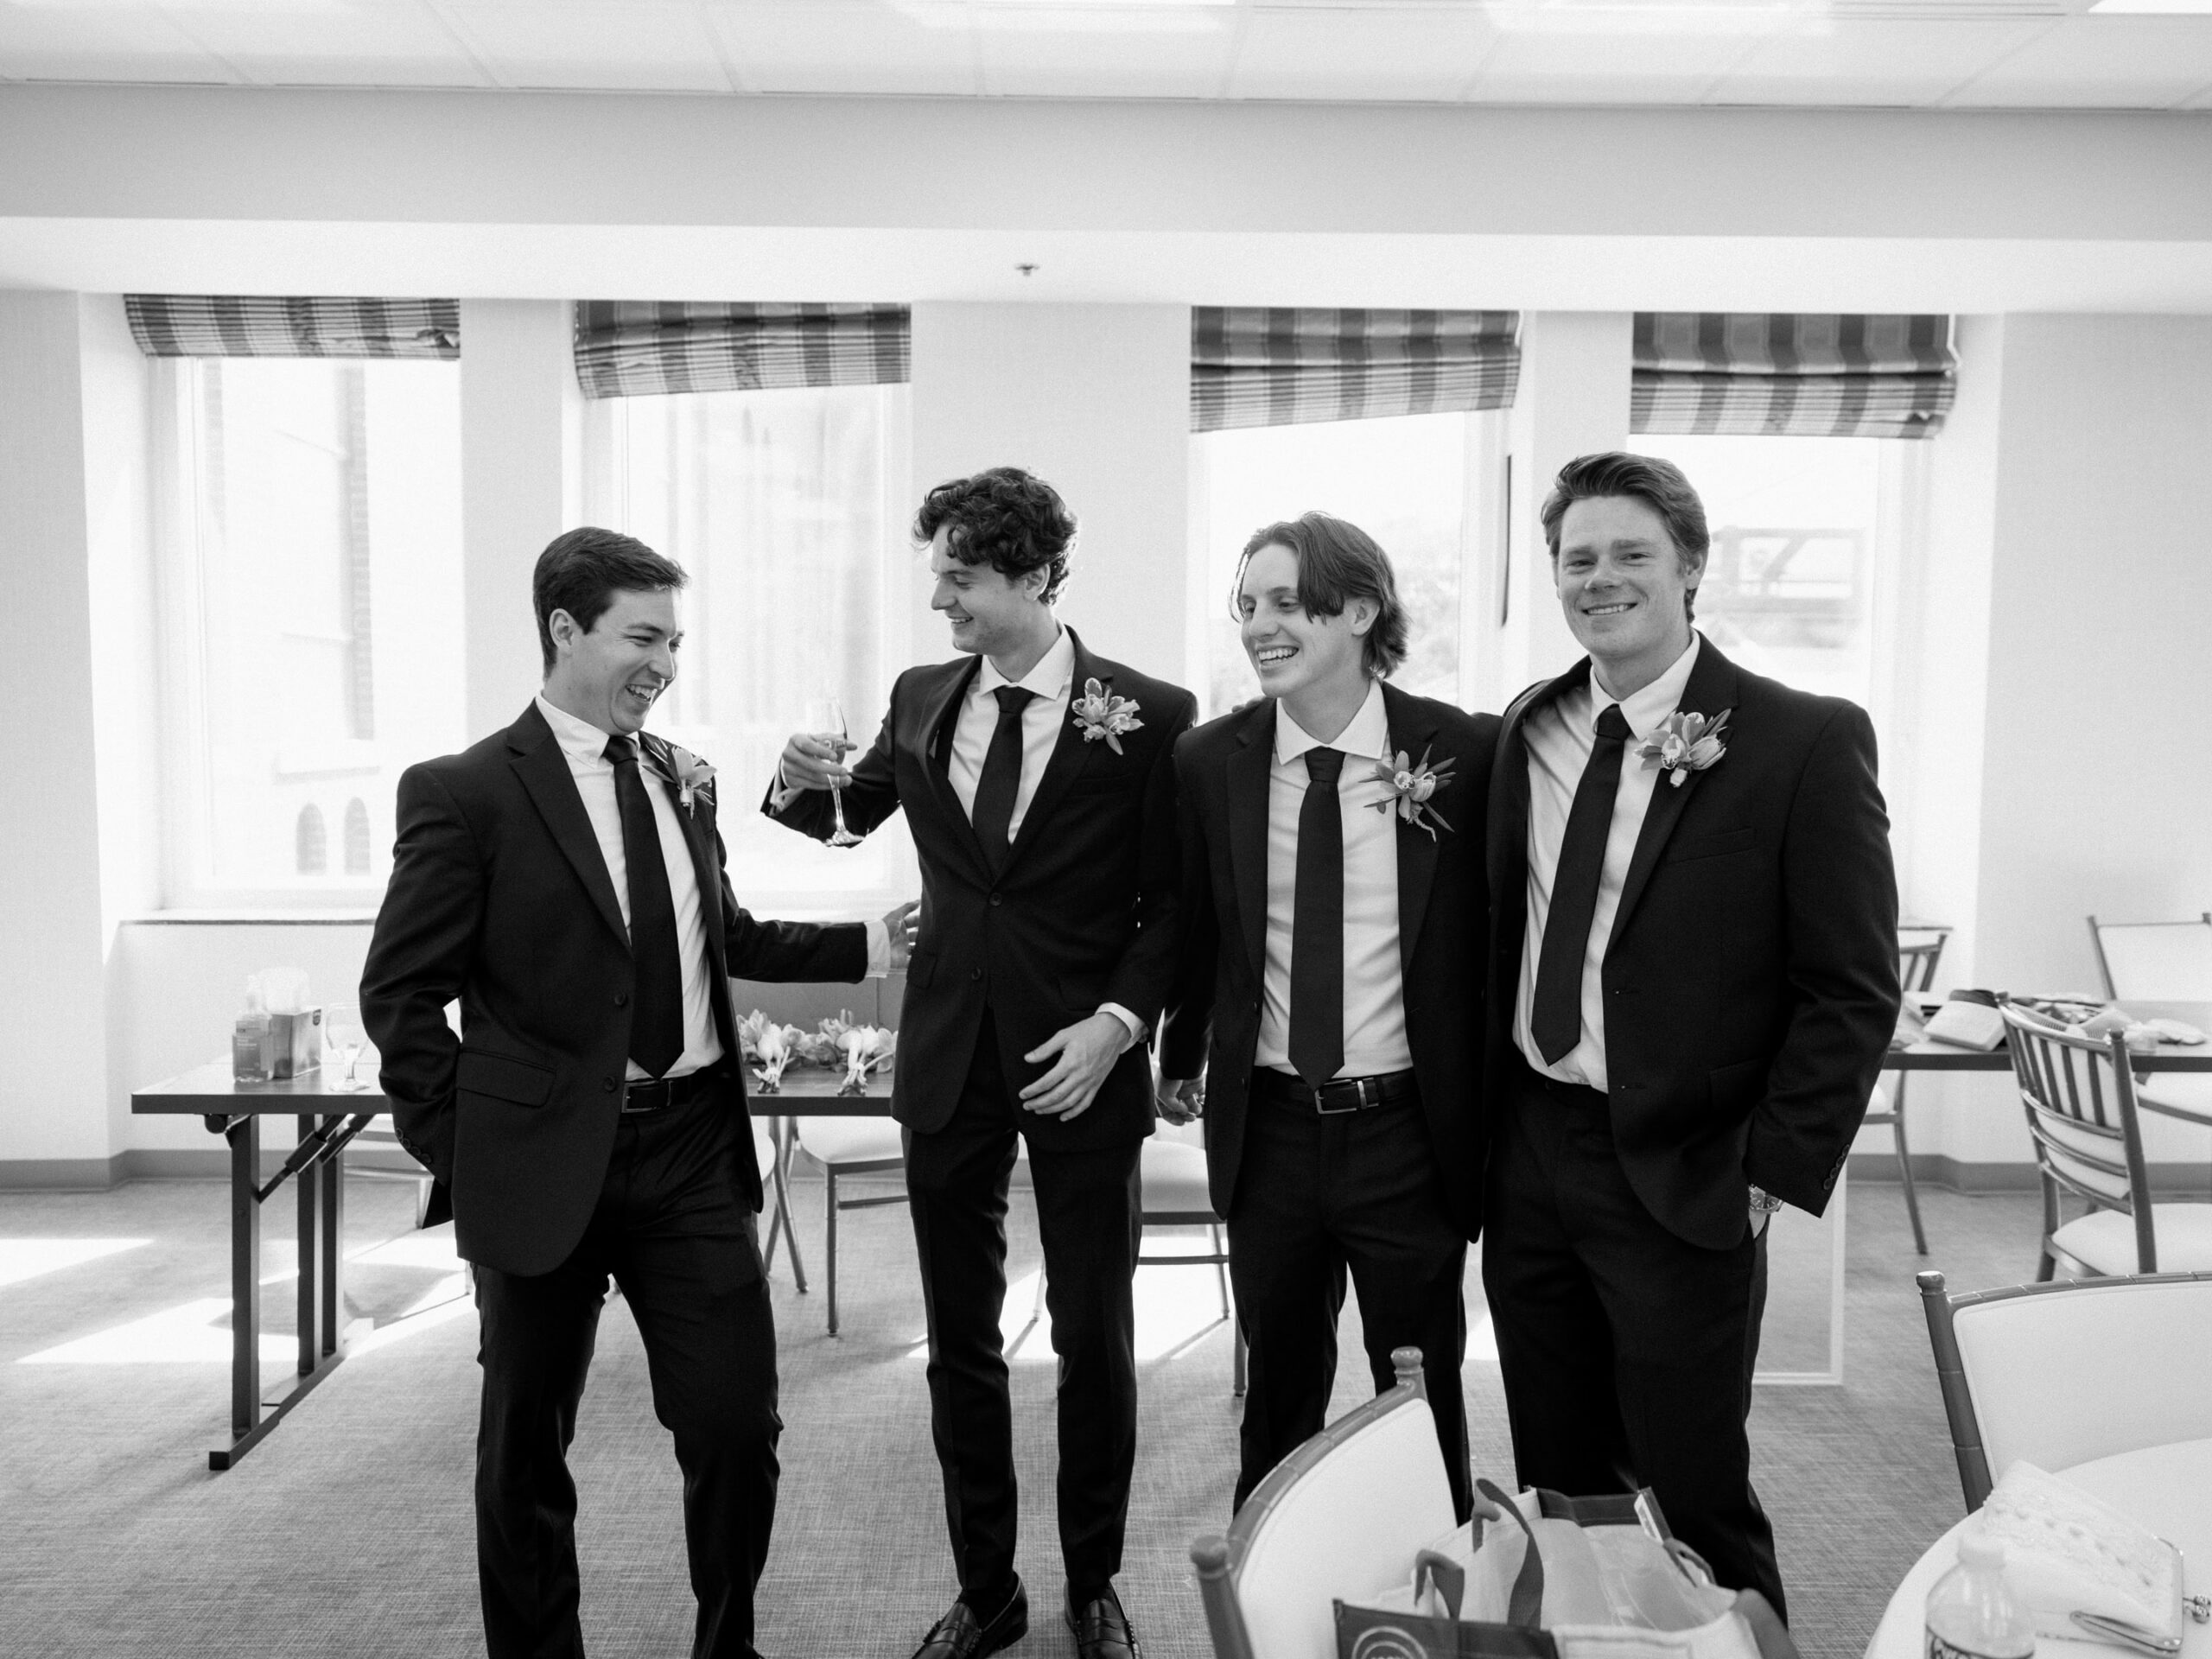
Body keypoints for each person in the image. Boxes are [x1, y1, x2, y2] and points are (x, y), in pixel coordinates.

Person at [359, 527, 911, 1659]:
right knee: (524, 1444)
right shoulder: (465, 793)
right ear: (565, 630)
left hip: (691, 1157)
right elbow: (400, 1001)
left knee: (736, 1428)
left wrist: (870, 939)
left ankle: (729, 1646)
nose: (663, 664)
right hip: (538, 1164)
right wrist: (466, 1155)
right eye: (642, 637)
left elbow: (722, 931)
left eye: (676, 641)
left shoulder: (680, 773)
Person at [766, 467, 1196, 1659]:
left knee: (1094, 1334)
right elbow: (844, 815)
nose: (942, 596)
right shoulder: (919, 696)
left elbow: (1176, 907)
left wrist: (1120, 1022)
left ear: (1033, 573)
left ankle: (1094, 1580)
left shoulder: (1152, 712)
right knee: (959, 1339)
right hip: (948, 1054)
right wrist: (796, 773)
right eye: (940, 572)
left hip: (1080, 1056)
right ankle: (987, 1588)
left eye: (960, 573)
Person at [1481, 453, 1899, 1617]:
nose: (1600, 578)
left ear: (1692, 568)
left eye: (1630, 554)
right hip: (1536, 1154)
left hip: (1687, 1170)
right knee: (1557, 1483)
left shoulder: (1802, 739)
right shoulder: (1534, 723)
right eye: (1578, 559)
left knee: (1695, 1488)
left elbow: (1852, 987)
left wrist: (1767, 1173)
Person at [1156, 512, 1495, 1522]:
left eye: (1283, 603)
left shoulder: (1466, 753)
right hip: (1269, 1132)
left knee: (1422, 1392)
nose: (1257, 625)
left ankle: (1435, 1594)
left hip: (1408, 1132)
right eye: (1246, 605)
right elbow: (1196, 925)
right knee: (1277, 1394)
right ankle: (1268, 1601)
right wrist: (1177, 1051)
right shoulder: (1207, 760)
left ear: (1358, 610)